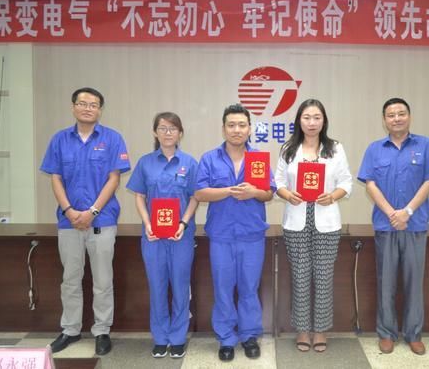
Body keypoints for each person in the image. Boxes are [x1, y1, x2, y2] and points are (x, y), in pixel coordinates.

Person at [40, 87, 131, 356]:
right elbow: (55, 177)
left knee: (103, 279)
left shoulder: (112, 138)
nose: (88, 108)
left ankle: (102, 330)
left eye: (93, 104)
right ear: (73, 107)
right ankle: (70, 329)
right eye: (82, 103)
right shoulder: (59, 140)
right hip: (68, 221)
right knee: (70, 278)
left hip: (102, 219)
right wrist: (69, 210)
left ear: (100, 110)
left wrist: (92, 211)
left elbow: (114, 179)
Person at [357, 97, 429, 356]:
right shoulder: (375, 149)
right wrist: (391, 213)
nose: (396, 118)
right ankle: (386, 333)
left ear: (409, 116)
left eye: (401, 113)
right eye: (391, 115)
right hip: (385, 226)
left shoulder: (426, 145)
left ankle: (413, 334)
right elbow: (370, 184)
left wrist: (407, 212)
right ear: (384, 120)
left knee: (414, 282)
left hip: (414, 225)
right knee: (386, 282)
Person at [194, 104, 275, 362]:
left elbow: (268, 193)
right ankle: (226, 338)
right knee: (223, 288)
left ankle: (249, 336)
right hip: (221, 235)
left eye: (242, 125)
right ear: (223, 128)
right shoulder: (210, 158)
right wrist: (229, 191)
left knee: (249, 288)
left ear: (249, 129)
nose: (236, 130)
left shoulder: (259, 158)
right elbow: (200, 193)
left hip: (252, 234)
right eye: (231, 125)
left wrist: (254, 192)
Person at [275, 99, 352, 353]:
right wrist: (288, 195)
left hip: (326, 221)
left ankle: (320, 330)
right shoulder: (288, 148)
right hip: (296, 220)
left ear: (324, 121)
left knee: (323, 276)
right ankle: (302, 329)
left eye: (317, 117)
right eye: (307, 117)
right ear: (299, 120)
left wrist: (333, 196)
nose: (311, 122)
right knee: (300, 276)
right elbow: (278, 181)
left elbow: (346, 181)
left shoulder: (335, 148)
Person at [126, 112, 199, 359]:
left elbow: (195, 197)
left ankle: (177, 337)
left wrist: (184, 223)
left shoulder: (189, 163)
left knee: (180, 286)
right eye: (162, 128)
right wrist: (147, 223)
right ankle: (160, 337)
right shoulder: (145, 163)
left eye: (173, 128)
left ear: (180, 133)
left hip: (181, 236)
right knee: (157, 286)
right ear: (155, 132)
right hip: (153, 237)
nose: (168, 133)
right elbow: (139, 196)